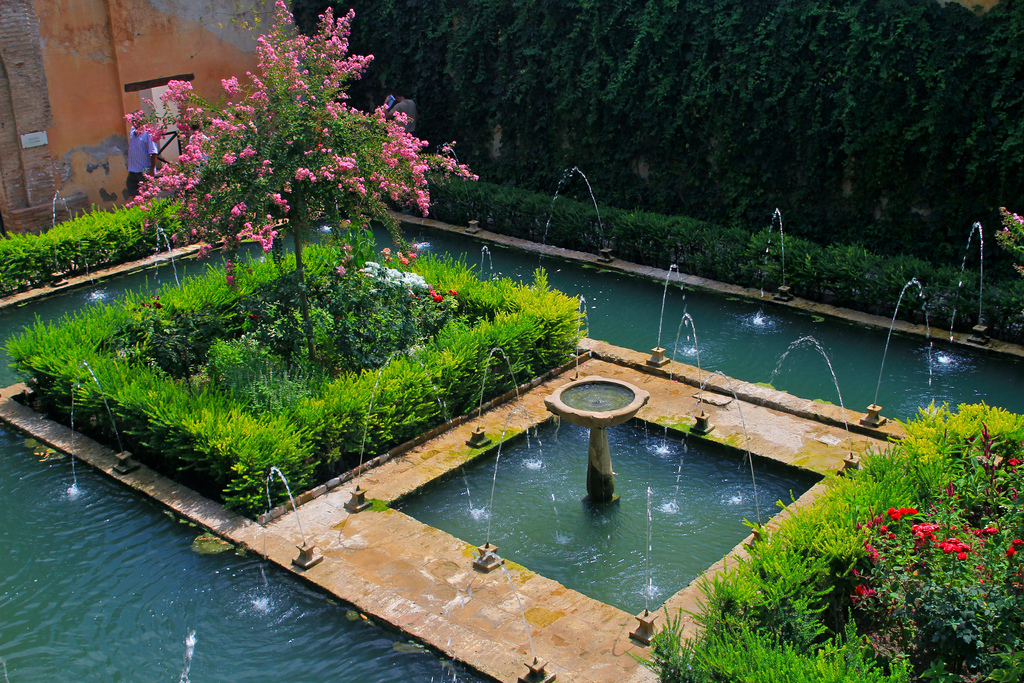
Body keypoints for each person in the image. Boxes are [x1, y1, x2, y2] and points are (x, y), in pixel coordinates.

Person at [125, 119, 158, 199]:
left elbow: (153, 152)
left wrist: (152, 169)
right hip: (133, 170)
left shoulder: (148, 133)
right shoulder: (132, 131)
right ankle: (138, 209)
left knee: (148, 195)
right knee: (133, 193)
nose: (134, 123)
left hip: (144, 171)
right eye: (133, 121)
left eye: (136, 120)